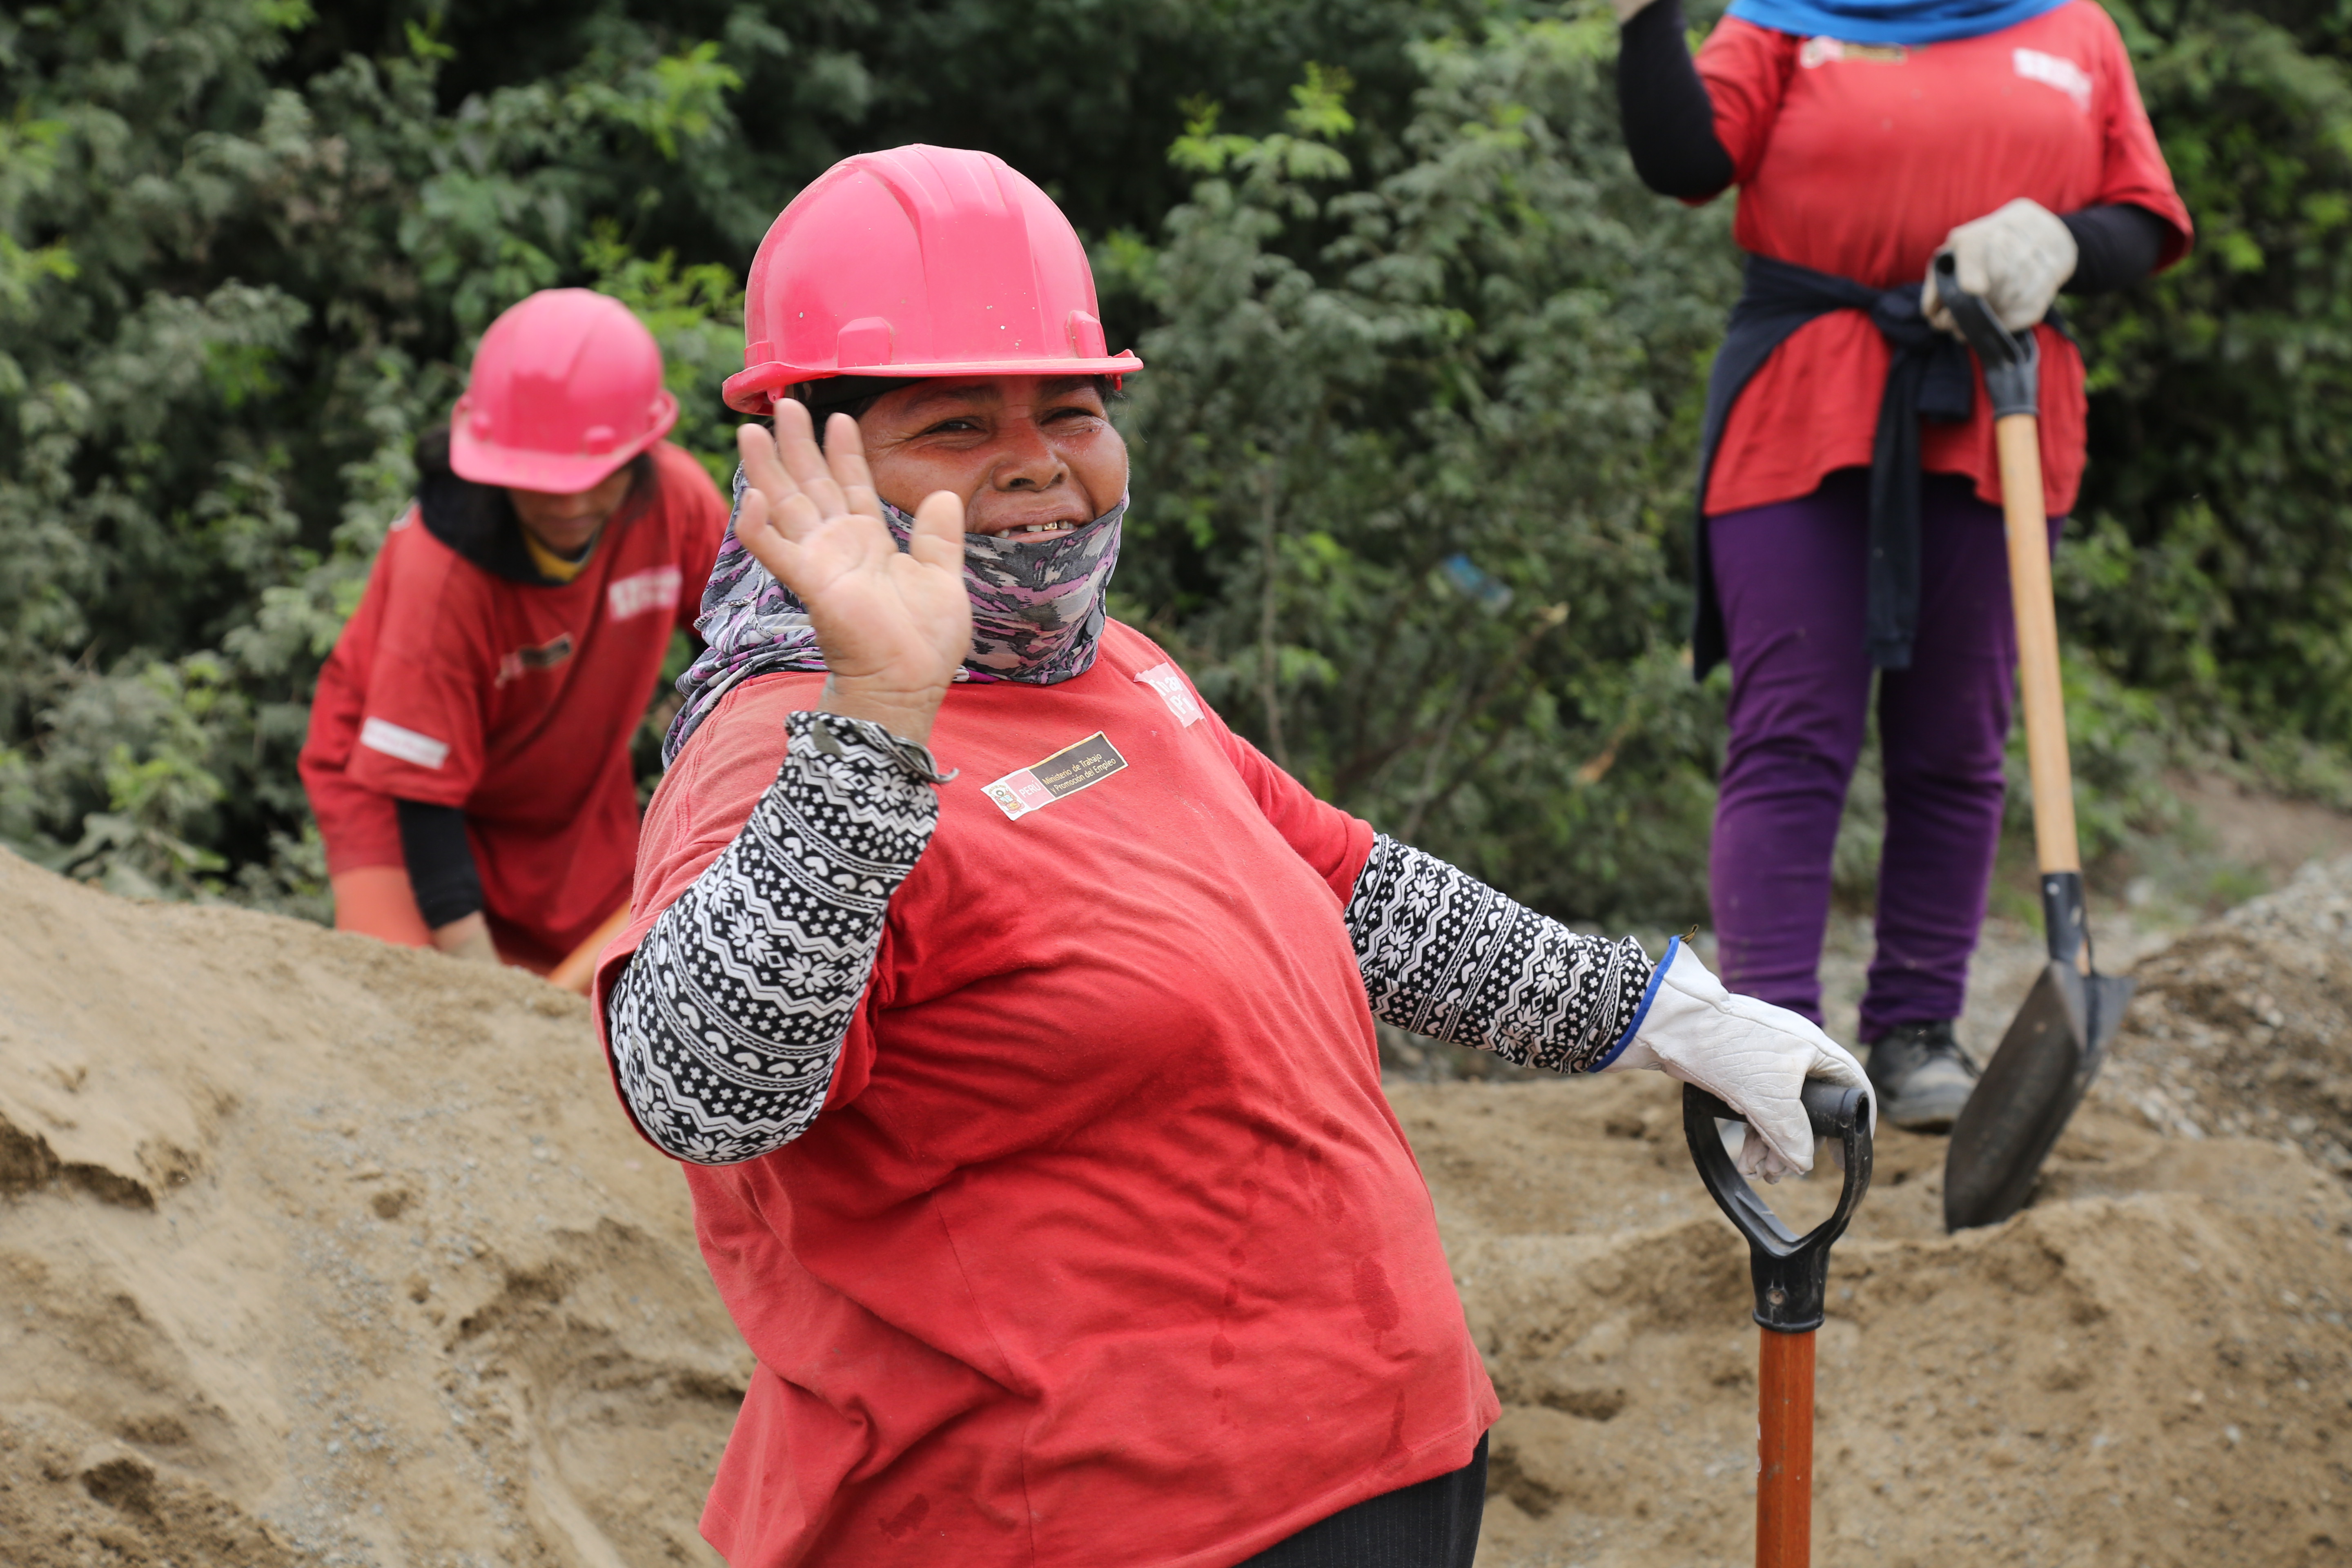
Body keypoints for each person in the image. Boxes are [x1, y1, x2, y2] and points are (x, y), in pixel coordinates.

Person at [592, 144, 1871, 1568]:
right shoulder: (792, 746)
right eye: (954, 424)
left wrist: (1675, 1017)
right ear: (807, 459)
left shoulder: (1116, 674)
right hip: (1085, 1520)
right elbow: (705, 1089)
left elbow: (1355, 891)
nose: (1036, 459)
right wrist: (881, 710)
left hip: (1379, 1466)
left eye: (1072, 409)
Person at [1612, 0, 2192, 1128]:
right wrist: (1646, 24)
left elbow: (2144, 219)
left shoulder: (2074, 29)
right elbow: (1683, 159)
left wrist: (2063, 240)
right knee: (1789, 728)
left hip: (1996, 404)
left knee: (1956, 740)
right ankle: (1768, 1039)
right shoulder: (1784, 18)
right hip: (1803, 395)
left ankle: (1919, 1029)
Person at [301, 289, 729, 978]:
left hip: (565, 794)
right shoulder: (440, 575)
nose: (572, 504)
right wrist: (483, 986)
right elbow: (421, 798)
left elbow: (749, 645)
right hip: (396, 790)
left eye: (597, 478)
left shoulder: (675, 503)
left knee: (630, 989)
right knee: (409, 997)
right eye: (543, 482)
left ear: (641, 450)